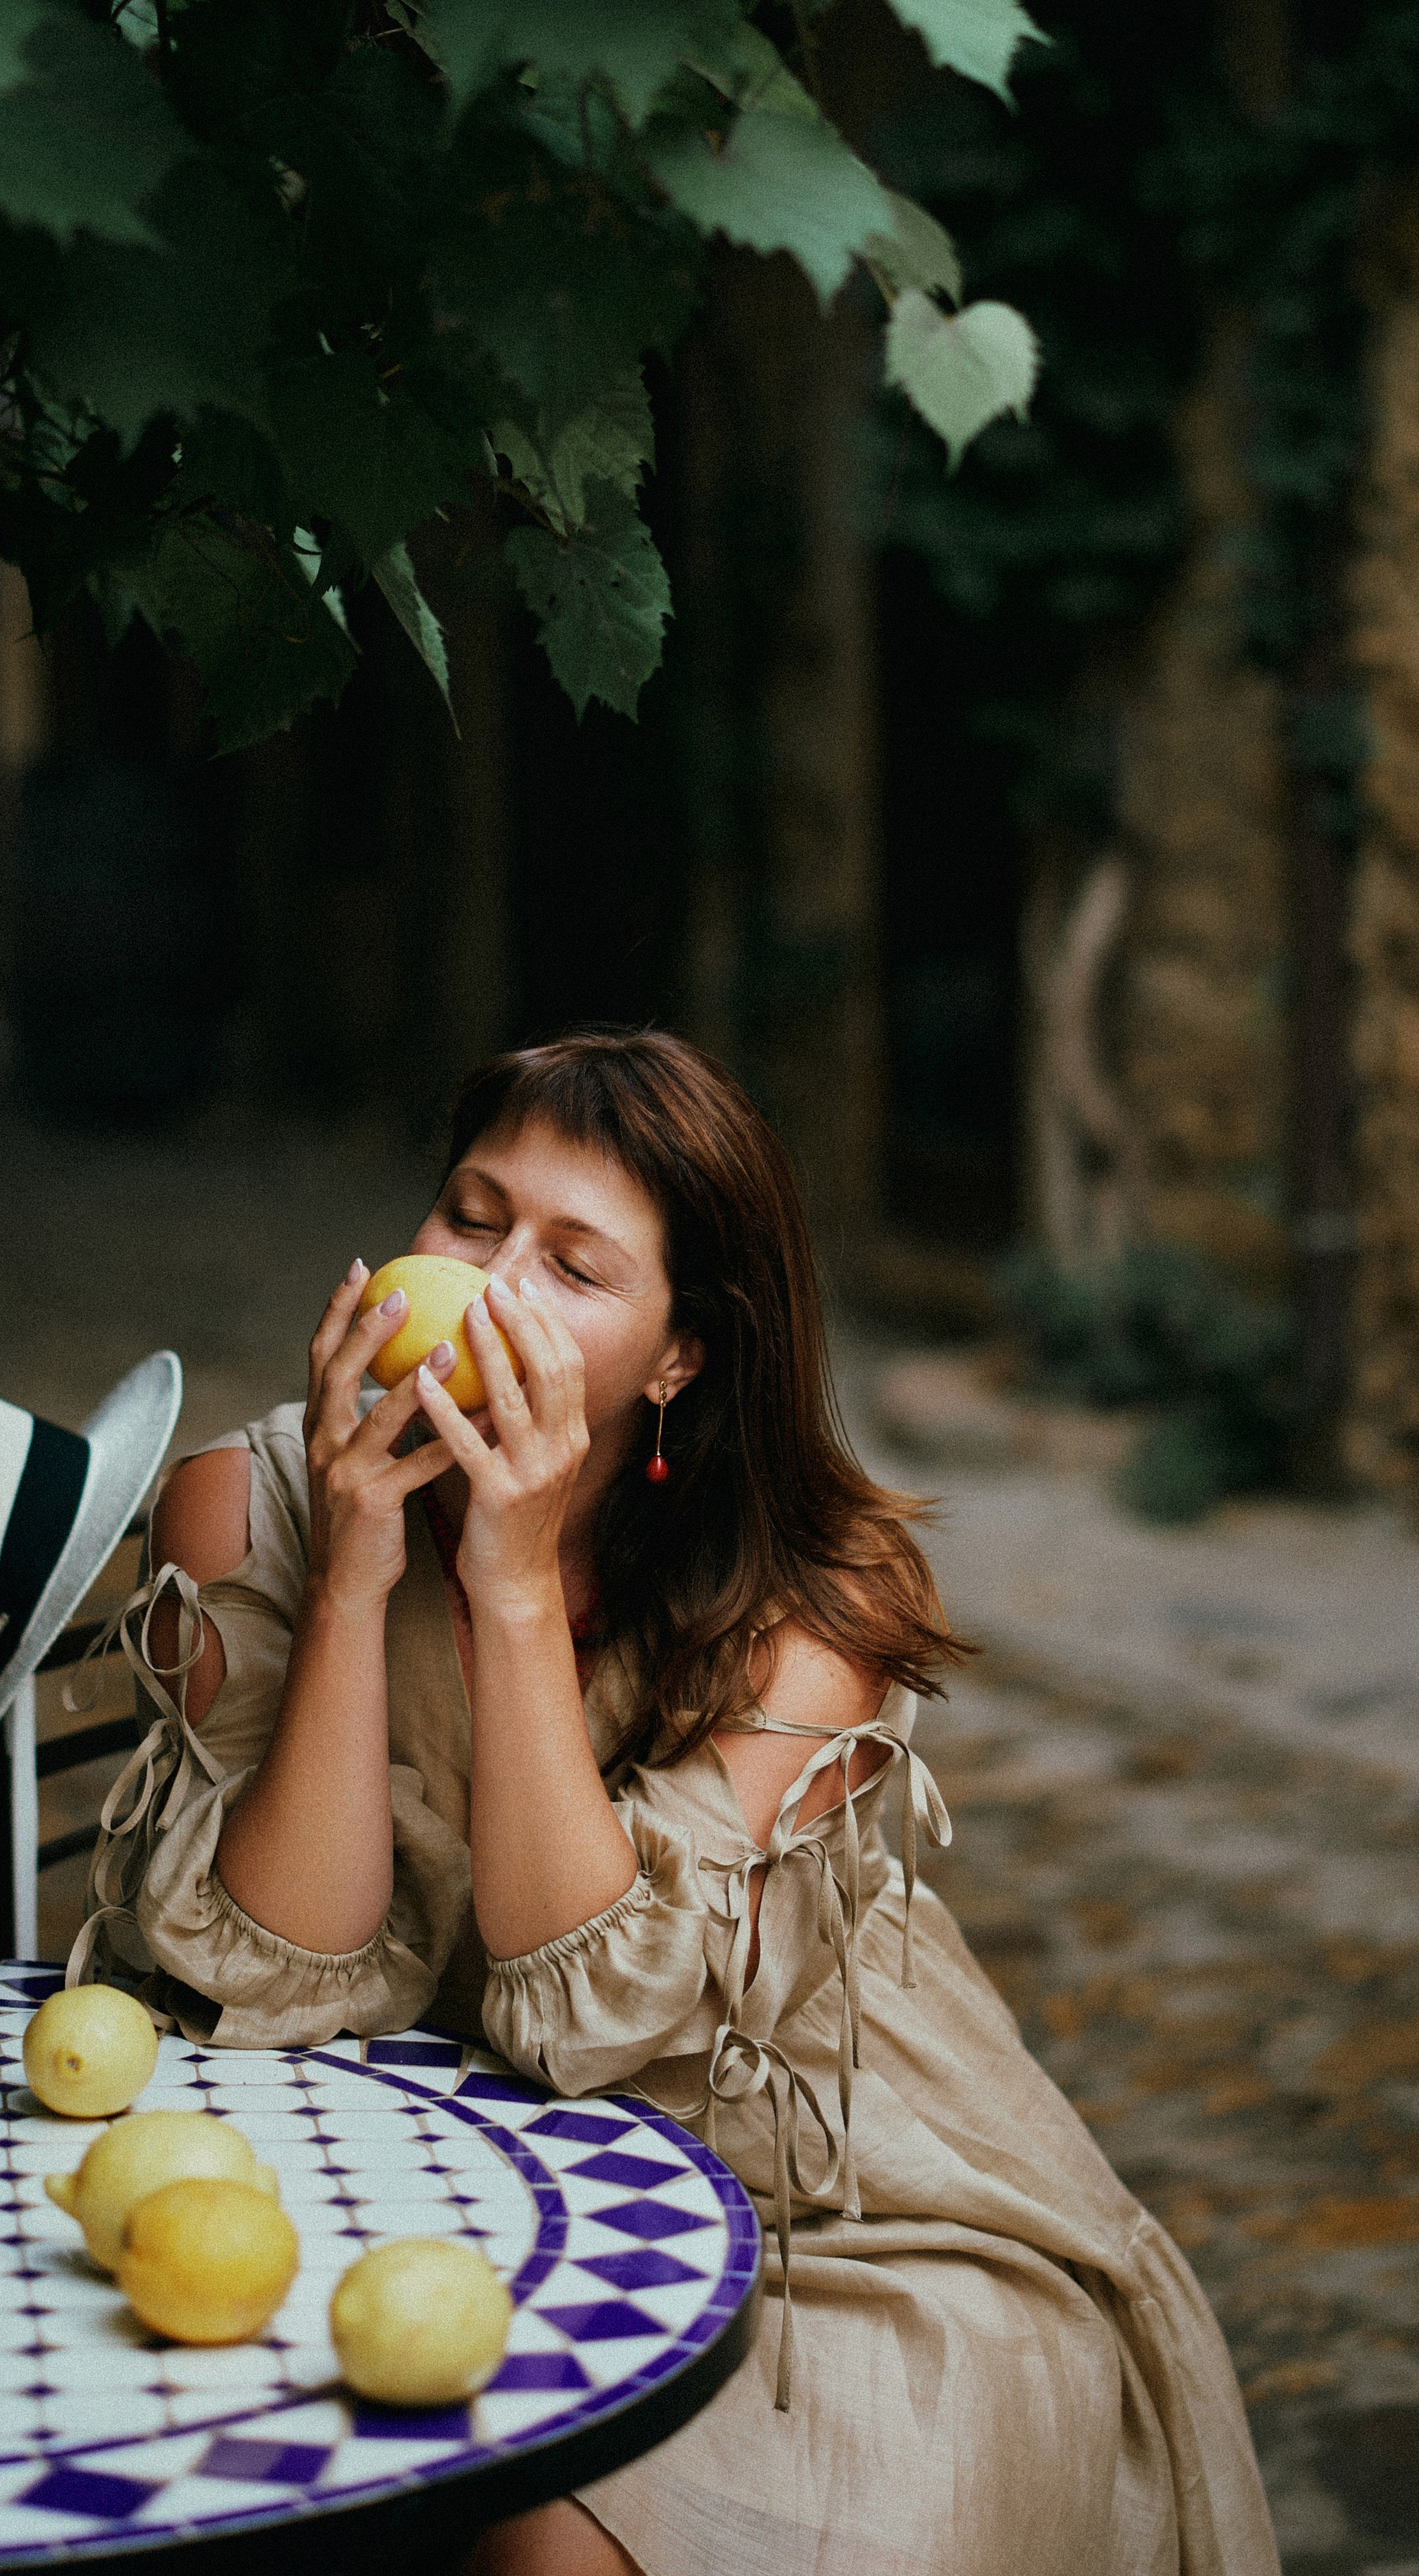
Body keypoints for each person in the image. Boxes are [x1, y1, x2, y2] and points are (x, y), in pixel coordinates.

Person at [74, 1029, 1278, 2576]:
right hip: (431, 2170)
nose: (493, 1284)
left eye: (574, 1266)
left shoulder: (818, 1598)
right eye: (470, 1215)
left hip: (831, 2210)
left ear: (676, 1356)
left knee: (546, 2543)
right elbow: (278, 1979)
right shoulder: (251, 1507)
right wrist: (359, 1581)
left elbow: (590, 2022)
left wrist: (507, 1589)